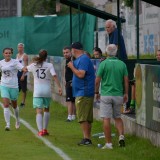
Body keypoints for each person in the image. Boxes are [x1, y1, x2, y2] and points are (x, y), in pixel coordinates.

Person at [95, 44, 128, 149]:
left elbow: (97, 80)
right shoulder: (122, 64)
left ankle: (109, 143)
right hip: (118, 95)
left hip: (106, 95)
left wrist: (96, 92)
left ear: (106, 52)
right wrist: (126, 93)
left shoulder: (103, 64)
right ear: (116, 52)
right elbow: (126, 80)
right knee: (118, 117)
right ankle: (121, 136)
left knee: (106, 118)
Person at [26, 49, 62, 136]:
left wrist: (31, 62)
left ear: (39, 56)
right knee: (46, 109)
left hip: (38, 91)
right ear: (46, 57)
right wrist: (59, 87)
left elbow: (25, 69)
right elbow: (54, 76)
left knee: (38, 111)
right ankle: (45, 129)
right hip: (47, 90)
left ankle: (40, 130)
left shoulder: (34, 65)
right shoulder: (49, 65)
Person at [68, 42, 95, 146]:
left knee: (83, 117)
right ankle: (87, 138)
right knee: (86, 117)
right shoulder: (80, 59)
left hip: (84, 92)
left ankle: (87, 139)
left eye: (71, 50)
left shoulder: (83, 59)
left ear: (74, 50)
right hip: (82, 91)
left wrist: (71, 66)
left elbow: (81, 74)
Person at [0, 48, 26, 131]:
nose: (8, 54)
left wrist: (25, 69)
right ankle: (7, 125)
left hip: (14, 86)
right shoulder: (1, 62)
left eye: (9, 53)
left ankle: (17, 120)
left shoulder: (15, 62)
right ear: (3, 54)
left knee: (14, 105)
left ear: (11, 54)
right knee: (6, 105)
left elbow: (22, 68)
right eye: (6, 53)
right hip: (4, 85)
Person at [63, 46, 76, 122]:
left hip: (71, 82)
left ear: (71, 52)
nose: (65, 54)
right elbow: (66, 70)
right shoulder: (67, 60)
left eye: (67, 52)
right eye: (64, 53)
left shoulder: (72, 60)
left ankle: (69, 116)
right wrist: (65, 80)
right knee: (72, 100)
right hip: (68, 81)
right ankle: (73, 115)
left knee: (69, 100)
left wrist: (72, 81)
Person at [16, 43, 28, 107]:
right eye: (19, 47)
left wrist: (23, 75)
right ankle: (14, 100)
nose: (20, 48)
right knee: (16, 88)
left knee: (23, 89)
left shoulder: (25, 55)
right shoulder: (17, 55)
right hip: (18, 73)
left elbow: (26, 66)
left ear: (23, 48)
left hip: (23, 73)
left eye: (21, 47)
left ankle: (23, 102)